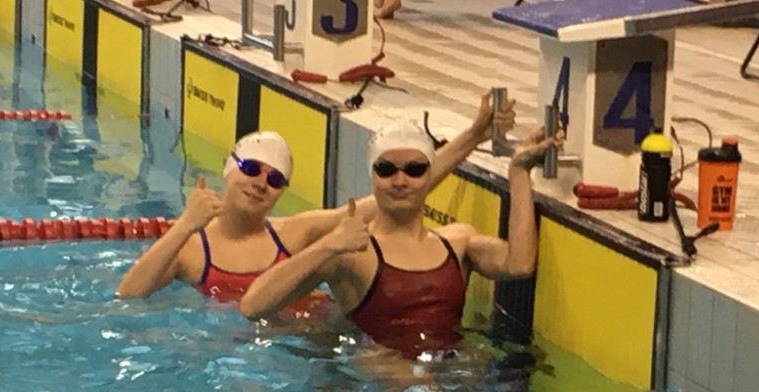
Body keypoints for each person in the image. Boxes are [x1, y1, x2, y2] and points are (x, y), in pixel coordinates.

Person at [115, 91, 516, 303]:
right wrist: (185, 225)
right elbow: (129, 294)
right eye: (251, 169)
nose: (261, 183)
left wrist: (472, 136)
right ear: (228, 168)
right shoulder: (191, 249)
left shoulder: (295, 233)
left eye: (275, 180)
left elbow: (397, 192)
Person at [239, 119, 560, 358]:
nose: (400, 180)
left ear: (429, 175)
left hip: (453, 380)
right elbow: (253, 306)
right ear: (372, 176)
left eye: (414, 169)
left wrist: (519, 172)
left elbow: (519, 264)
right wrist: (327, 245)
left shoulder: (458, 243)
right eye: (386, 169)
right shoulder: (351, 253)